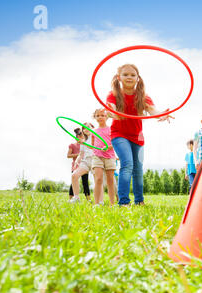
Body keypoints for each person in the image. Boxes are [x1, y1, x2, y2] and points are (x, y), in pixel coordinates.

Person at [106, 64, 173, 206]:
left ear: (137, 78)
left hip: (137, 137)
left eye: (132, 75)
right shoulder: (113, 95)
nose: (129, 77)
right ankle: (124, 202)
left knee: (138, 169)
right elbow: (111, 109)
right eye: (125, 75)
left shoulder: (143, 96)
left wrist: (162, 115)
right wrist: (111, 113)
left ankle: (139, 201)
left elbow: (153, 111)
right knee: (127, 164)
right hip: (119, 134)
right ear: (119, 78)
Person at [91, 108, 117, 206]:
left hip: (109, 156)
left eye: (102, 115)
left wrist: (108, 147)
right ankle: (96, 203)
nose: (100, 117)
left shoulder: (111, 129)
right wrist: (82, 142)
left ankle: (112, 204)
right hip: (97, 156)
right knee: (98, 179)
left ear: (107, 117)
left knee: (110, 180)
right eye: (97, 116)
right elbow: (92, 145)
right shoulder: (94, 131)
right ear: (95, 117)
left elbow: (115, 143)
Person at [70, 122, 95, 203]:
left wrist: (83, 142)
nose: (86, 129)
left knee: (99, 181)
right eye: (84, 128)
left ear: (92, 128)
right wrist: (76, 162)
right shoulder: (83, 140)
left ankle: (100, 200)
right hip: (86, 161)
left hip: (96, 160)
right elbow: (81, 153)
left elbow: (93, 147)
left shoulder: (95, 136)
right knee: (74, 175)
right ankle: (76, 198)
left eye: (88, 127)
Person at [67, 128, 91, 201]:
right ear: (76, 137)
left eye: (81, 135)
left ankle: (88, 199)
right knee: (73, 181)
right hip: (76, 165)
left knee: (85, 182)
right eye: (79, 136)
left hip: (85, 164)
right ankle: (71, 199)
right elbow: (68, 155)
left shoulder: (86, 143)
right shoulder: (72, 145)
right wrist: (78, 155)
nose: (80, 137)